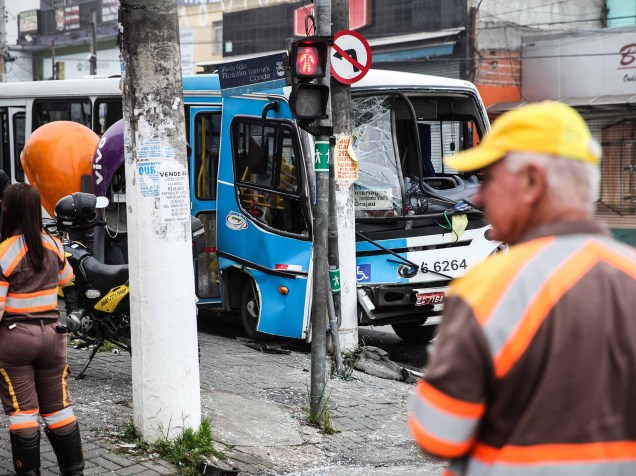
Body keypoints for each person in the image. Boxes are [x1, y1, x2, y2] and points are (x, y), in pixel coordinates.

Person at [408, 101, 636, 475]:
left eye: (491, 179)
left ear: (532, 181)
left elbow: (437, 435)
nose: (478, 197)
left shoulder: (490, 289)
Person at [0, 183, 84, 475]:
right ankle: (74, 471)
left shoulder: (4, 251)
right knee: (58, 408)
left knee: (23, 414)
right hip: (53, 336)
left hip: (15, 338)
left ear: (7, 209)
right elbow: (67, 279)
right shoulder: (54, 245)